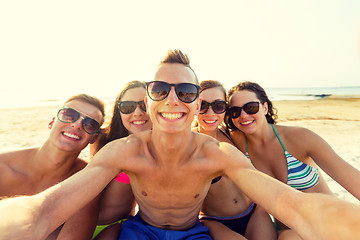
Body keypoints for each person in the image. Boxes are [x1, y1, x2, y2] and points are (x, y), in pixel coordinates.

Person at [5, 49, 360, 240]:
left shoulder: (217, 153)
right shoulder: (124, 151)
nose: (173, 100)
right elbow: (46, 208)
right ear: (148, 99)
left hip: (195, 233)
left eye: (186, 92)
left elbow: (293, 205)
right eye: (161, 90)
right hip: (139, 230)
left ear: (194, 102)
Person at [224, 81, 360, 239]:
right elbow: (206, 133)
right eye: (235, 111)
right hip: (290, 232)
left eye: (251, 107)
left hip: (331, 225)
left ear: (265, 107)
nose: (243, 115)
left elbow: (352, 179)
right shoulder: (236, 144)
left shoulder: (299, 138)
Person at [0, 93, 105, 239]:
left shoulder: (86, 180)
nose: (76, 125)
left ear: (93, 137)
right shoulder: (3, 167)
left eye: (89, 124)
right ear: (52, 123)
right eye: (69, 115)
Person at [194, 80, 276, 240]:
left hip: (254, 211)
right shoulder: (188, 145)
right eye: (203, 106)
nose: (210, 113)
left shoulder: (234, 136)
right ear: (194, 106)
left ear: (226, 109)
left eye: (218, 105)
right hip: (214, 221)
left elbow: (268, 138)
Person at [90, 80, 152, 239]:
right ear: (119, 111)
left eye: (144, 105)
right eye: (127, 107)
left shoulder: (160, 148)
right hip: (83, 221)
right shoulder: (102, 138)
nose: (137, 112)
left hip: (117, 228)